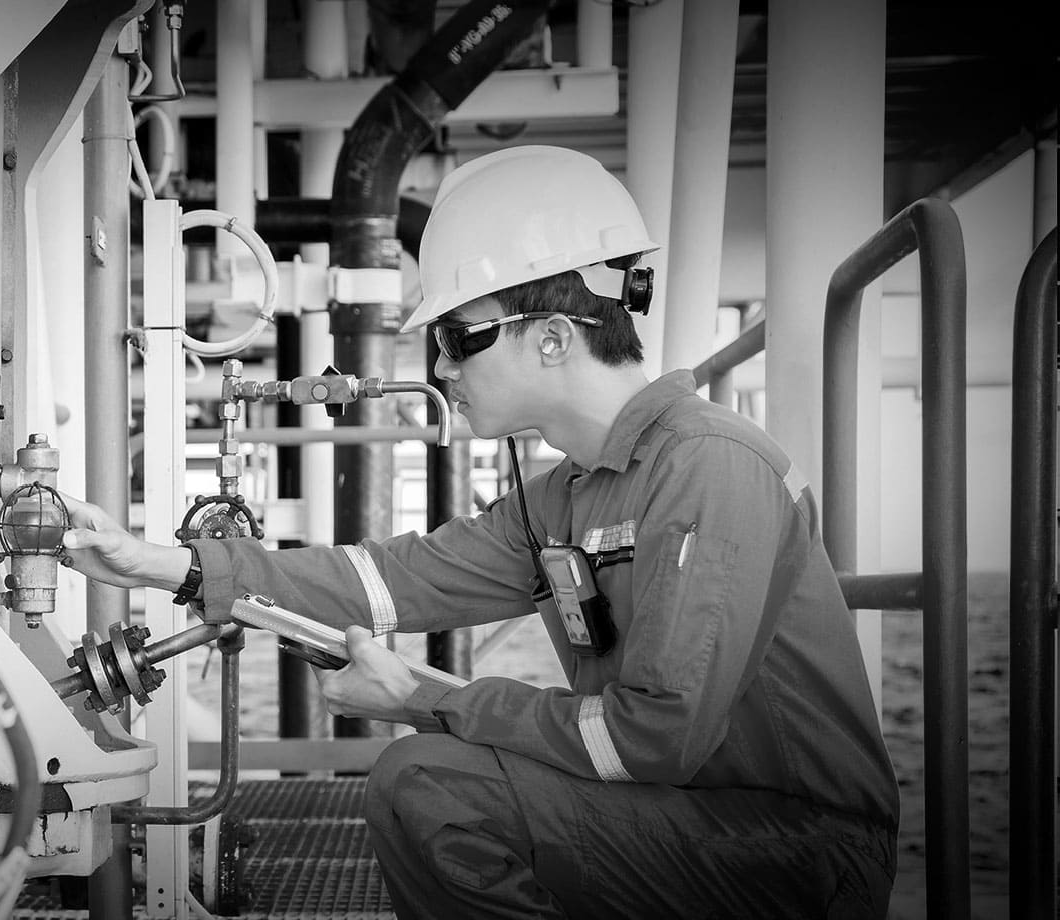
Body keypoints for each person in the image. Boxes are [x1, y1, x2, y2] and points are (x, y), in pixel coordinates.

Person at [60, 145, 898, 918]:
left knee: (431, 785)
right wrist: (157, 564)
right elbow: (391, 580)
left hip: (804, 849)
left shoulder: (710, 468)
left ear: (556, 338)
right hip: (688, 817)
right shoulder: (564, 497)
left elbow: (656, 739)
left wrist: (425, 698)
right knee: (428, 778)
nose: (441, 370)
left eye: (459, 338)